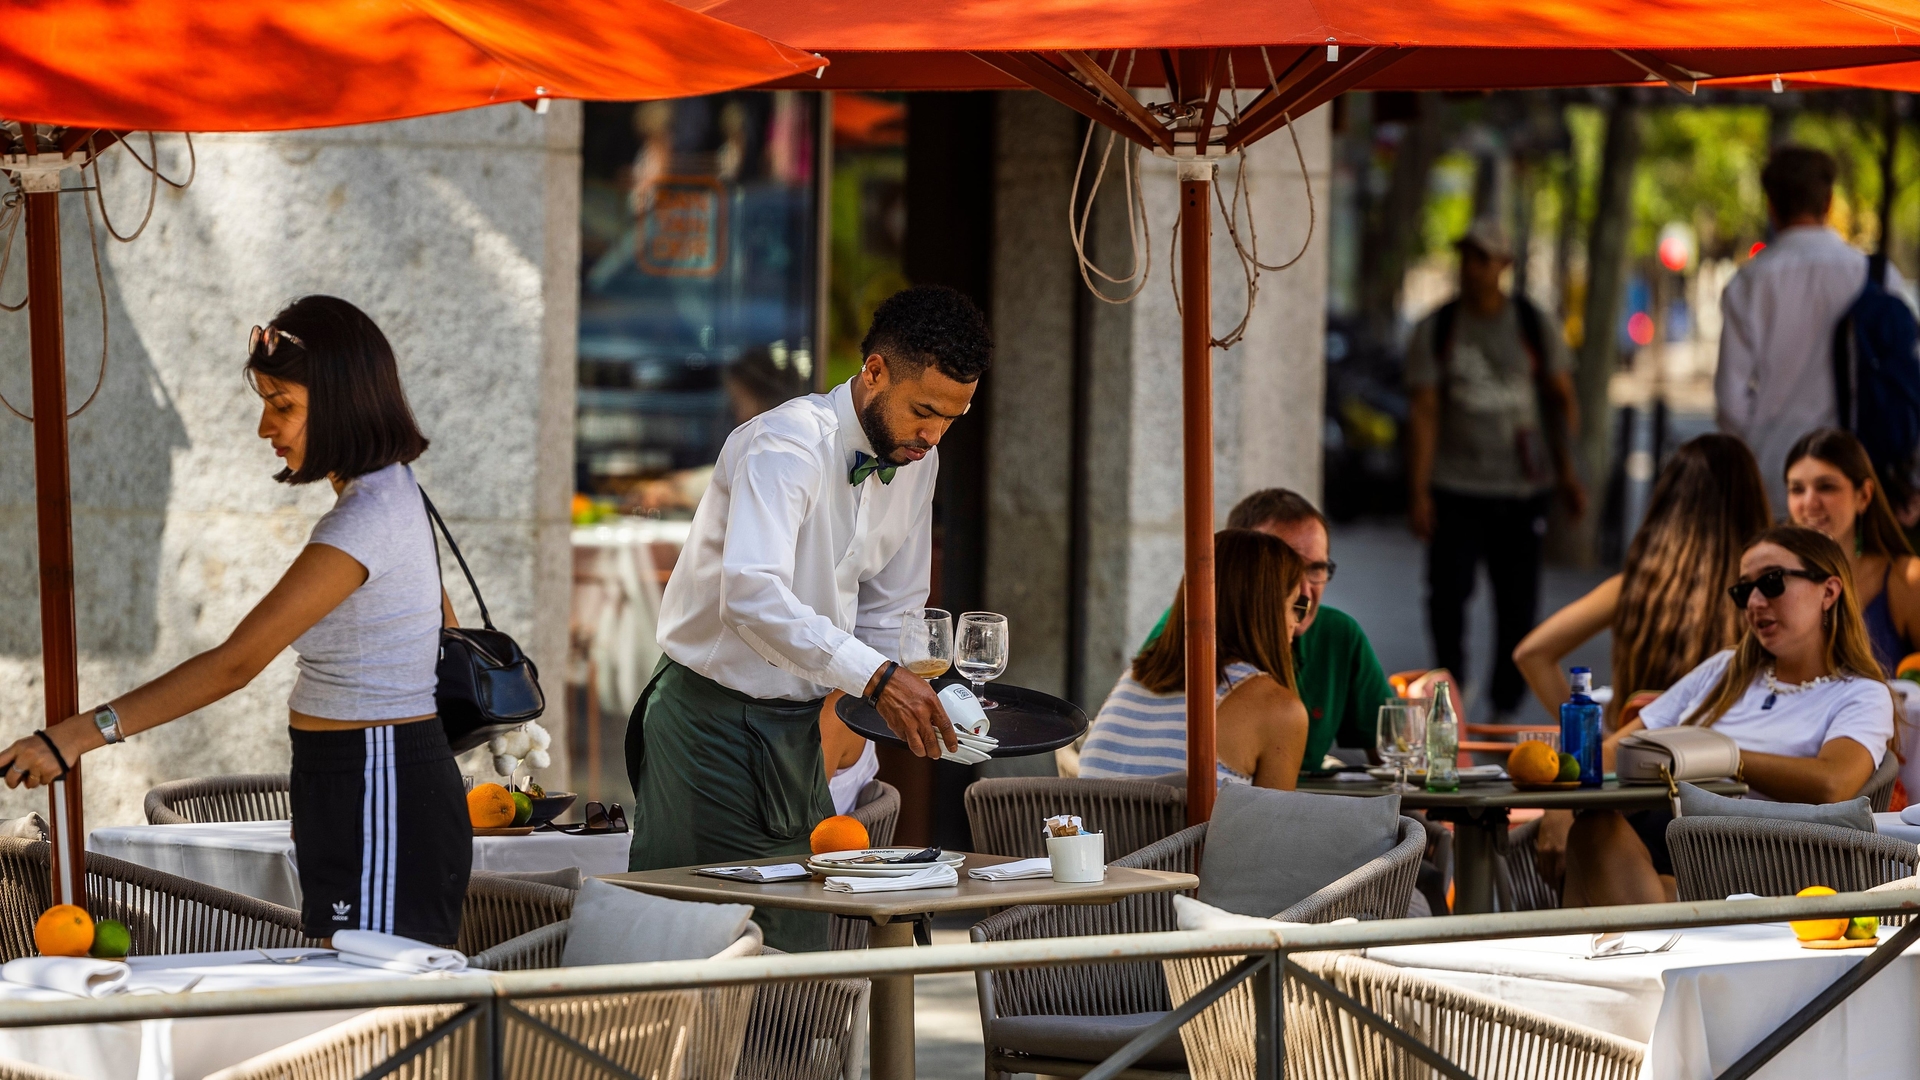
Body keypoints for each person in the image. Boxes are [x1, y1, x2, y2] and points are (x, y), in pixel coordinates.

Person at [0, 297, 468, 944]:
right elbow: (438, 619)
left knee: (379, 1010)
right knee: (351, 1002)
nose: (264, 428)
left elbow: (236, 663)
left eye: (284, 406)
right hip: (350, 774)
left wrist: (76, 736)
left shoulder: (370, 516)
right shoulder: (384, 495)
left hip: (379, 781)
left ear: (344, 403)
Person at [627, 285, 990, 951]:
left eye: (952, 419)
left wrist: (874, 714)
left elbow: (892, 609)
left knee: (797, 954)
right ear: (874, 372)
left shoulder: (920, 460)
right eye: (924, 412)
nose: (933, 435)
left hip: (807, 725)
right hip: (709, 718)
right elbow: (751, 597)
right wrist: (875, 679)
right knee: (694, 948)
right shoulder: (783, 446)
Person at [1561, 525, 1894, 906]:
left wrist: (1715, 755)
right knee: (1591, 829)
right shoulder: (1725, 669)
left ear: (1829, 591)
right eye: (1743, 590)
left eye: (1770, 582)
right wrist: (1557, 809)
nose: (1753, 601)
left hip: (1765, 864)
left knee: (1596, 840)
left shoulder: (1861, 693)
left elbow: (1833, 784)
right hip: (1669, 835)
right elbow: (1613, 751)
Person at [1512, 434, 1771, 881]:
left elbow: (1531, 653)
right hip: (1708, 804)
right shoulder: (1755, 600)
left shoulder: (1635, 586)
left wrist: (1593, 740)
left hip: (1630, 795)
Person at [1406, 217, 1586, 719]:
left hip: (1520, 489)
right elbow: (1424, 411)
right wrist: (1418, 491)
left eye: (1483, 258)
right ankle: (1452, 694)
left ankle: (1504, 705)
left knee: (1518, 607)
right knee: (1446, 600)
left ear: (1504, 265)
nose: (1471, 268)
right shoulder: (1437, 327)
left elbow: (1560, 400)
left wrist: (1570, 474)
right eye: (1466, 256)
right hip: (1454, 486)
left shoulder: (1531, 323)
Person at [1137, 488, 1394, 771]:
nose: (1305, 592)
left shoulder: (1340, 633)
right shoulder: (1187, 632)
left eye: (1317, 570)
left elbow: (1394, 755)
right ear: (1241, 569)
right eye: (1286, 572)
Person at [1716, 146, 1912, 513]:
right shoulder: (1877, 276)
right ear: (1829, 202)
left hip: (1776, 477)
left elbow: (1730, 402)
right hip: (1860, 476)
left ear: (1771, 206)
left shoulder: (1748, 283)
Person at [1079, 529, 1311, 789]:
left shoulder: (1133, 679)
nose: (1296, 623)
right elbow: (1269, 826)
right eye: (1296, 606)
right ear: (1264, 610)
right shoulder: (1279, 709)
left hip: (1096, 830)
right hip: (1188, 832)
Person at [1784, 428, 1920, 675]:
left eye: (1826, 487)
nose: (1810, 503)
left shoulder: (1907, 579)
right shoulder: (1771, 580)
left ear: (1864, 496)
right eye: (1797, 489)